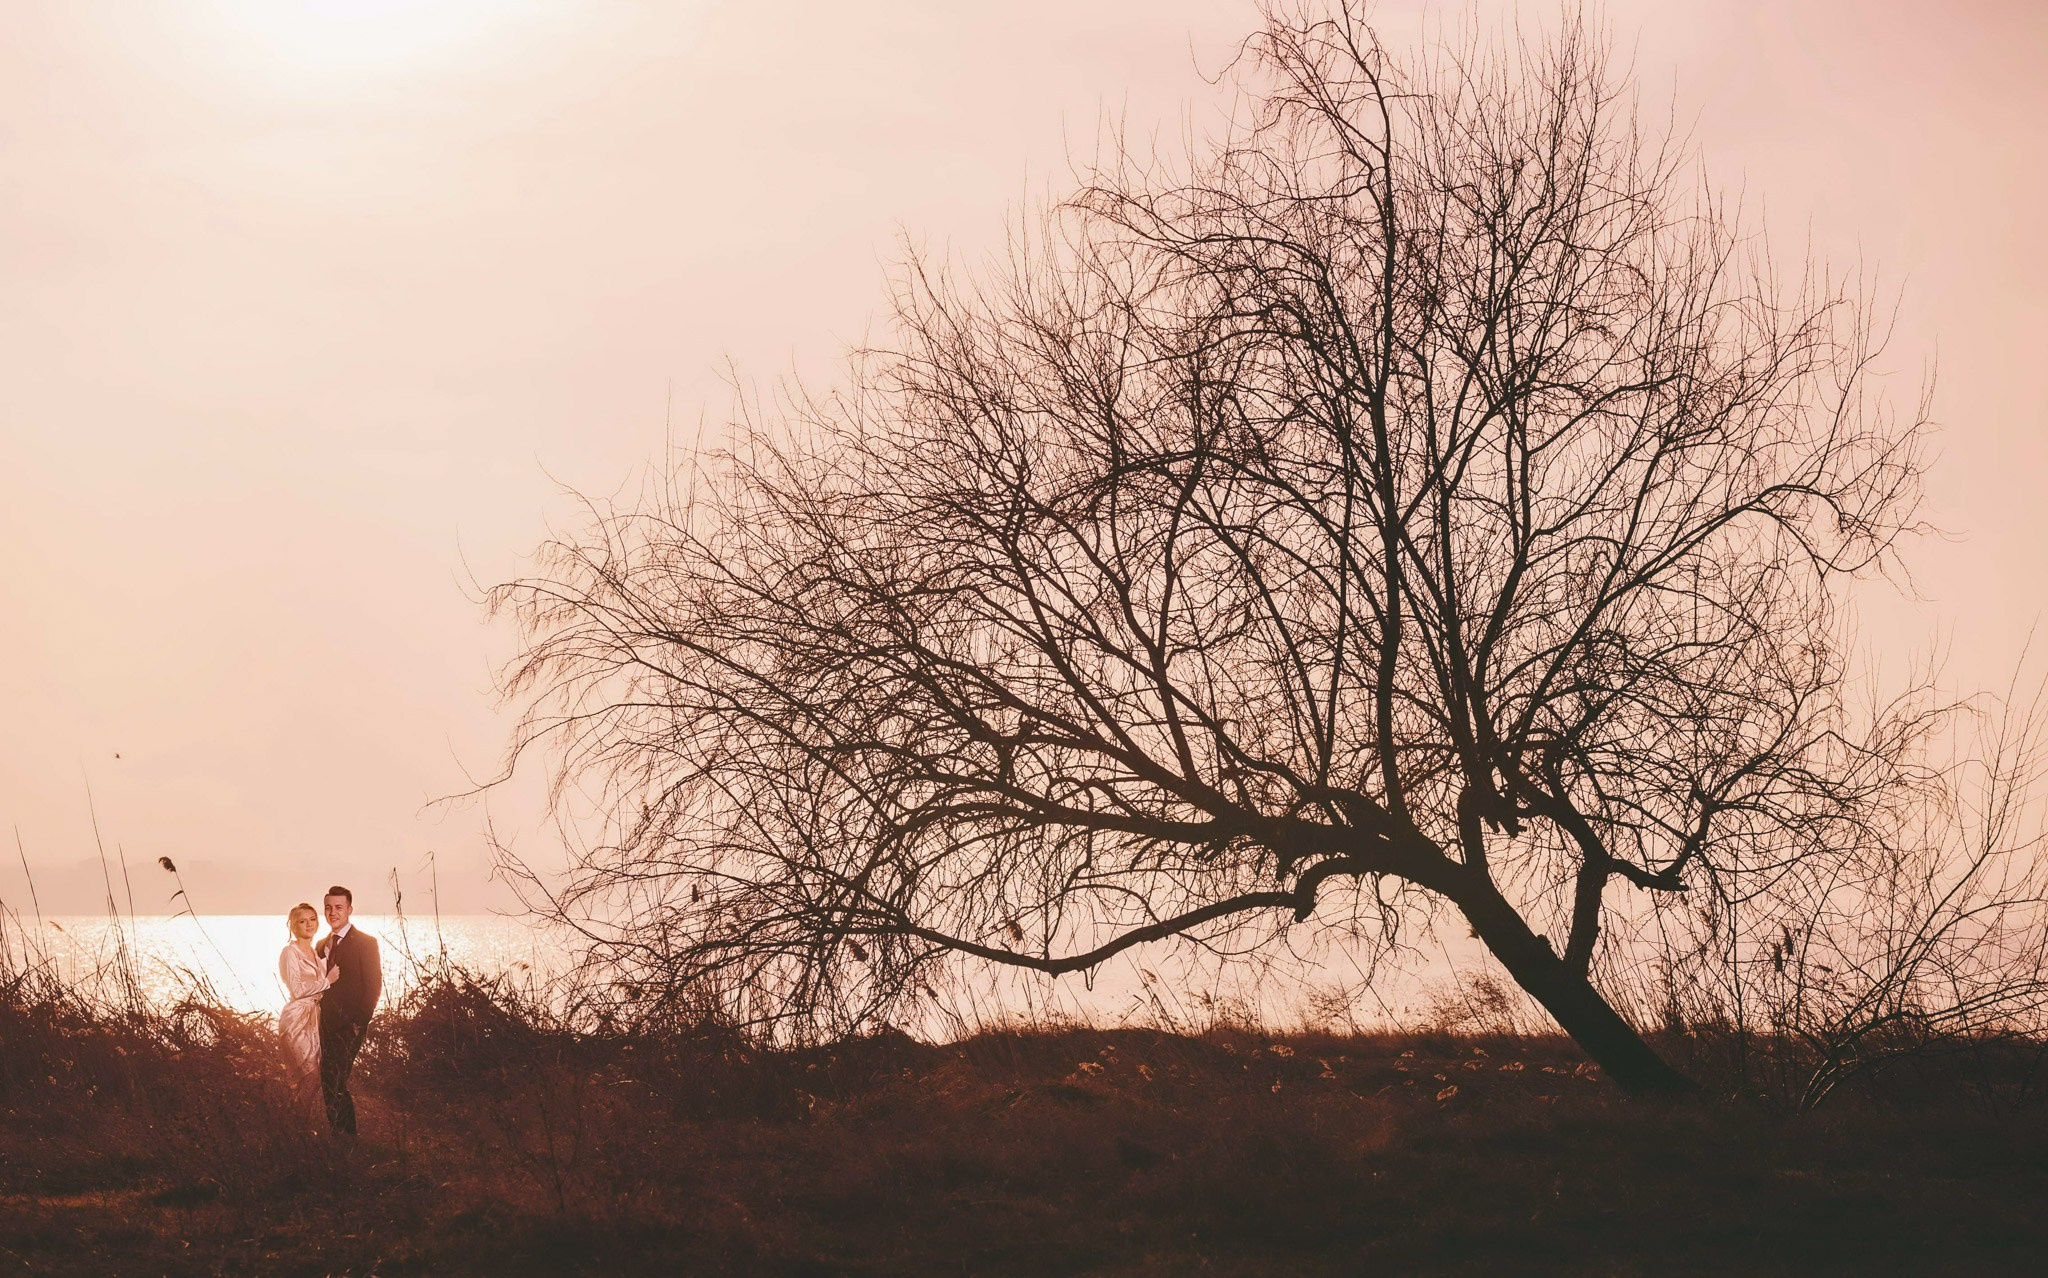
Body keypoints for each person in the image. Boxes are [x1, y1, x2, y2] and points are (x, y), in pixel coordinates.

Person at [314, 885, 382, 1137]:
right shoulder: (321, 944)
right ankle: (339, 1136)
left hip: (350, 1025)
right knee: (328, 1080)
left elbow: (374, 985)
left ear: (350, 910)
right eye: (328, 908)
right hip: (324, 1024)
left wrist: (358, 1024)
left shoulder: (366, 943)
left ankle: (347, 1137)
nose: (333, 912)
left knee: (336, 1078)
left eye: (338, 907)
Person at [276, 902, 339, 1099]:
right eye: (303, 921)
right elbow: (296, 990)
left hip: (315, 1018)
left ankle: (295, 1116)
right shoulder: (290, 952)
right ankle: (295, 1116)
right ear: (294, 926)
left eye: (312, 919)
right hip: (297, 1018)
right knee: (310, 1076)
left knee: (313, 1080)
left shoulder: (315, 952)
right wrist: (327, 981)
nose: (309, 924)